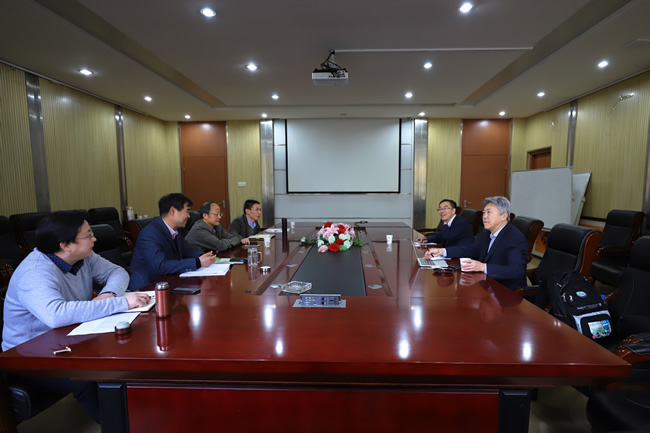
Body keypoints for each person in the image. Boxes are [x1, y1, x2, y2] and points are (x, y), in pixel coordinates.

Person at [2, 211, 150, 424]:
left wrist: (109, 294)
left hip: (68, 339)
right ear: (65, 245)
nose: (94, 239)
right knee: (87, 379)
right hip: (28, 355)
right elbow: (56, 315)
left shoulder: (83, 257)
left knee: (126, 353)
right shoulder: (35, 272)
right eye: (88, 235)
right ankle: (122, 426)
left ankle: (142, 415)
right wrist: (121, 302)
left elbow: (118, 272)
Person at [425, 196, 527, 290]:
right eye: (484, 212)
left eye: (489, 212)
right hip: (486, 284)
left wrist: (483, 267)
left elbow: (516, 270)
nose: (484, 216)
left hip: (506, 291)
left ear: (504, 216)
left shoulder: (514, 237)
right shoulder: (487, 233)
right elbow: (471, 250)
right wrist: (442, 251)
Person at [128, 193, 216, 291]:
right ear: (172, 211)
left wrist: (205, 256)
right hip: (147, 288)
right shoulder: (150, 233)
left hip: (169, 281)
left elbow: (187, 251)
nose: (188, 216)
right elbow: (161, 265)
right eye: (187, 210)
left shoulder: (176, 230)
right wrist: (198, 262)